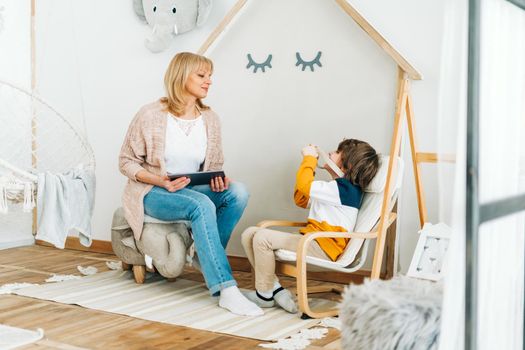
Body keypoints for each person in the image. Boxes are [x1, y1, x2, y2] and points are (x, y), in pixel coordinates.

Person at [119, 52, 263, 316]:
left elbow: (214, 166)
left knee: (239, 192)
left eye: (210, 76)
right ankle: (225, 289)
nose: (209, 81)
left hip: (191, 189)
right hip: (153, 192)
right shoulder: (150, 114)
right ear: (181, 75)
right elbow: (126, 162)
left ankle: (202, 254)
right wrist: (158, 179)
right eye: (201, 75)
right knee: (200, 204)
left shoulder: (210, 119)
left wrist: (218, 180)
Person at [241, 139, 380, 313]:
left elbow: (304, 187)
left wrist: (309, 160)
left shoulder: (345, 189)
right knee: (249, 233)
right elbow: (301, 199)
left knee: (262, 237)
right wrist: (308, 177)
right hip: (311, 241)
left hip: (322, 246)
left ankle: (264, 295)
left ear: (348, 164)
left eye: (337, 152)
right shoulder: (333, 189)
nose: (331, 152)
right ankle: (274, 290)